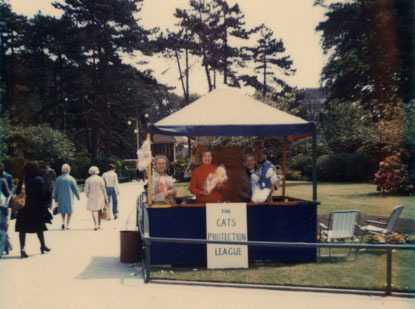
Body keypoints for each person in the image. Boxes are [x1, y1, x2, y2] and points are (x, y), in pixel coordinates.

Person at [15, 161, 52, 258]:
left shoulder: (22, 180)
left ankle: (22, 248)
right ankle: (43, 245)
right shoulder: (39, 179)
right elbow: (44, 193)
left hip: (24, 207)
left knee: (22, 229)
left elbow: (18, 192)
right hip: (36, 207)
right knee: (39, 227)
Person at [54, 163, 80, 230]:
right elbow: (75, 188)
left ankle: (63, 222)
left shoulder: (58, 179)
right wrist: (78, 196)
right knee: (69, 211)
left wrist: (55, 197)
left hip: (61, 197)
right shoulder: (71, 178)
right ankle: (67, 225)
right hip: (69, 197)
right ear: (68, 170)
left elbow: (56, 189)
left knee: (62, 210)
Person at [85, 166, 108, 230]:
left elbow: (86, 189)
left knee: (93, 210)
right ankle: (99, 225)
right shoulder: (100, 179)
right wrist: (106, 198)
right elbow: (104, 189)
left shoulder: (88, 179)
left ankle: (95, 225)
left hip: (92, 196)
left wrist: (87, 195)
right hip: (100, 196)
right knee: (99, 210)